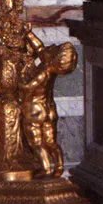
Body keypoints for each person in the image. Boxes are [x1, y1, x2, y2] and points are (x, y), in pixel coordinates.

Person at [19, 39, 76, 178]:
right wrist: (28, 34)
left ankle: (45, 168)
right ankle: (59, 165)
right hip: (49, 109)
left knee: (36, 143)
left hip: (35, 110)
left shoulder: (43, 72)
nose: (52, 45)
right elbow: (40, 49)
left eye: (54, 48)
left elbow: (27, 88)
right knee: (51, 142)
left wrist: (20, 75)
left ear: (52, 59)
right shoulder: (52, 71)